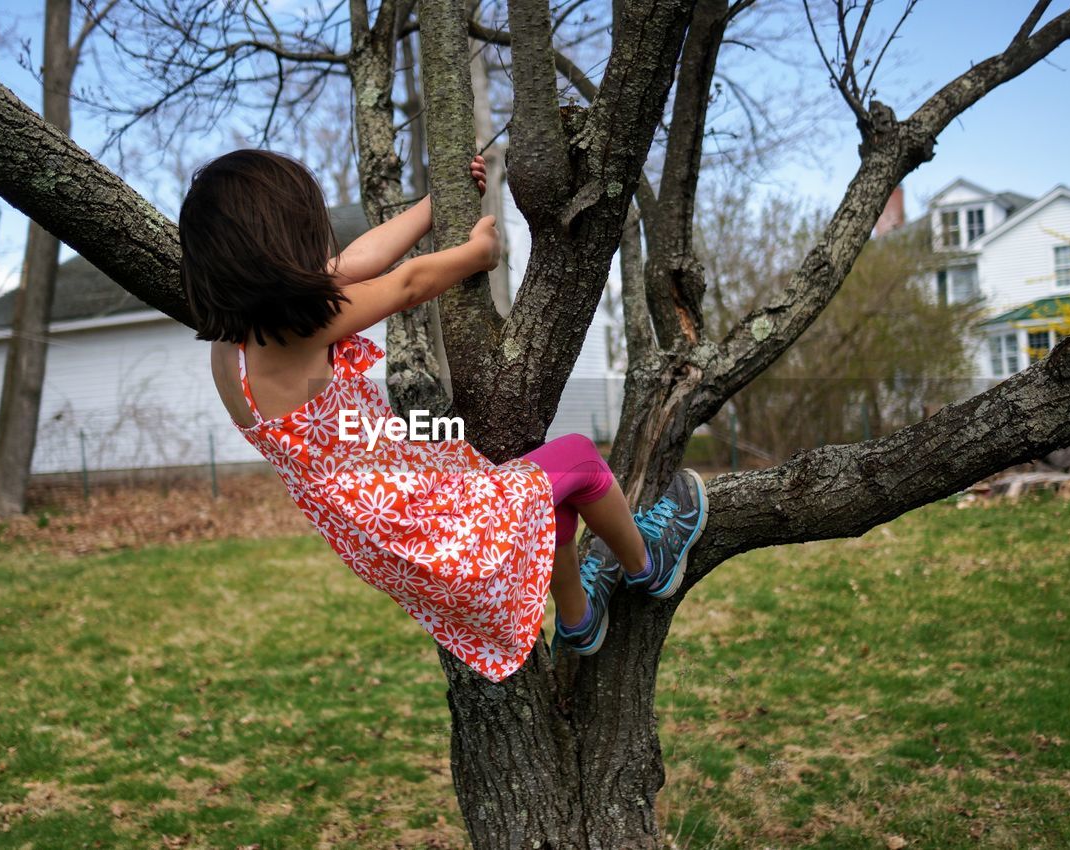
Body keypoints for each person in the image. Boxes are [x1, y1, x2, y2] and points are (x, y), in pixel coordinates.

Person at [179, 148, 708, 683]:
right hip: (421, 519)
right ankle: (650, 565)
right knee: (578, 459)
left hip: (386, 531)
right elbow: (407, 285)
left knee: (548, 499)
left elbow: (355, 263)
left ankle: (580, 620)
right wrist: (474, 255)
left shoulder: (232, 355)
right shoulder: (296, 330)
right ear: (280, 242)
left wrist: (434, 206)